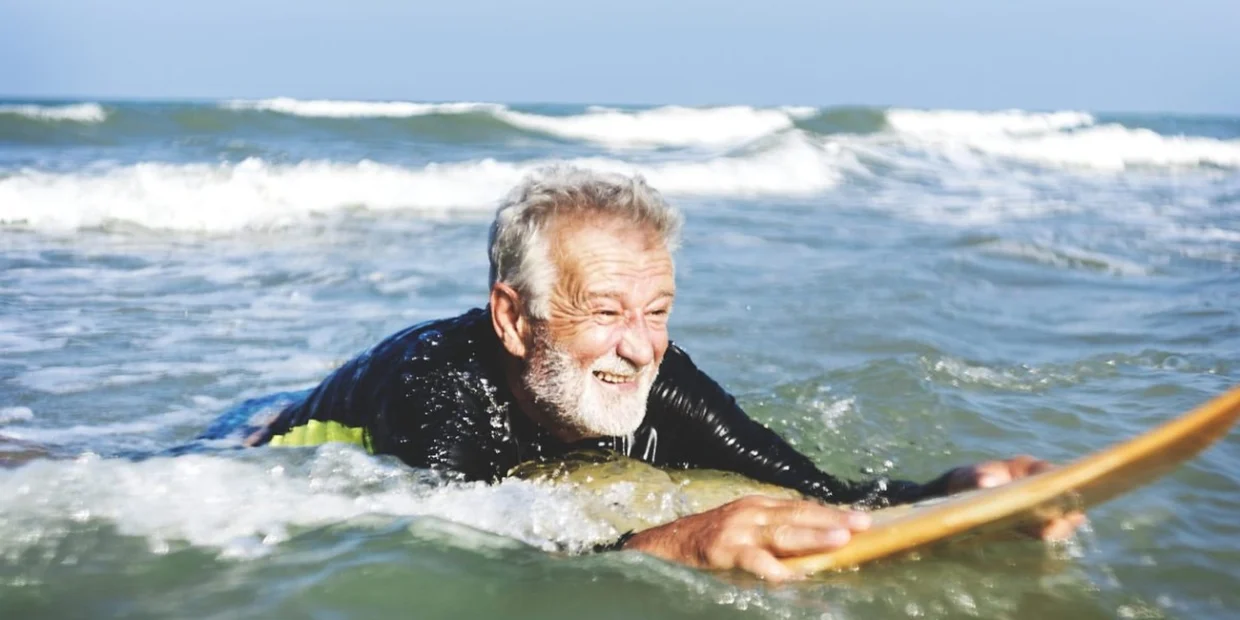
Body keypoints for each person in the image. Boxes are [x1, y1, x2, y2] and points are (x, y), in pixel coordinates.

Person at [210, 166, 1082, 580]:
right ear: (515, 319)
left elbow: (812, 486)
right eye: (605, 312)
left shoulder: (658, 378)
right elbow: (472, 552)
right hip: (270, 437)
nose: (638, 347)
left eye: (656, 311)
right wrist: (675, 542)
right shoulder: (439, 386)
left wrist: (953, 494)